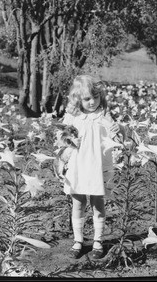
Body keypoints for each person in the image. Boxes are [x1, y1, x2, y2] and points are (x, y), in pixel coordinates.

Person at [61, 74, 125, 259]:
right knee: (78, 202)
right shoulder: (73, 116)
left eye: (96, 97)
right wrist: (68, 143)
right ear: (77, 99)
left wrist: (118, 130)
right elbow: (62, 140)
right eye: (87, 98)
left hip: (98, 164)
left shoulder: (103, 114)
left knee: (98, 202)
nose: (92, 102)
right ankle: (78, 241)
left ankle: (98, 241)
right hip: (79, 165)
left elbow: (116, 137)